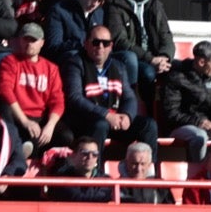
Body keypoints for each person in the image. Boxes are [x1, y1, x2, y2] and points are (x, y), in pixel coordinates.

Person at [59, 23, 158, 153]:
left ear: (111, 46)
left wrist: (127, 116)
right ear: (86, 43)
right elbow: (75, 98)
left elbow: (129, 97)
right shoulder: (75, 63)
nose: (100, 47)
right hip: (86, 121)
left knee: (149, 125)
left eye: (105, 43)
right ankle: (96, 171)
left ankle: (149, 170)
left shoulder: (119, 67)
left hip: (114, 120)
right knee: (101, 125)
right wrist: (106, 115)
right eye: (96, 42)